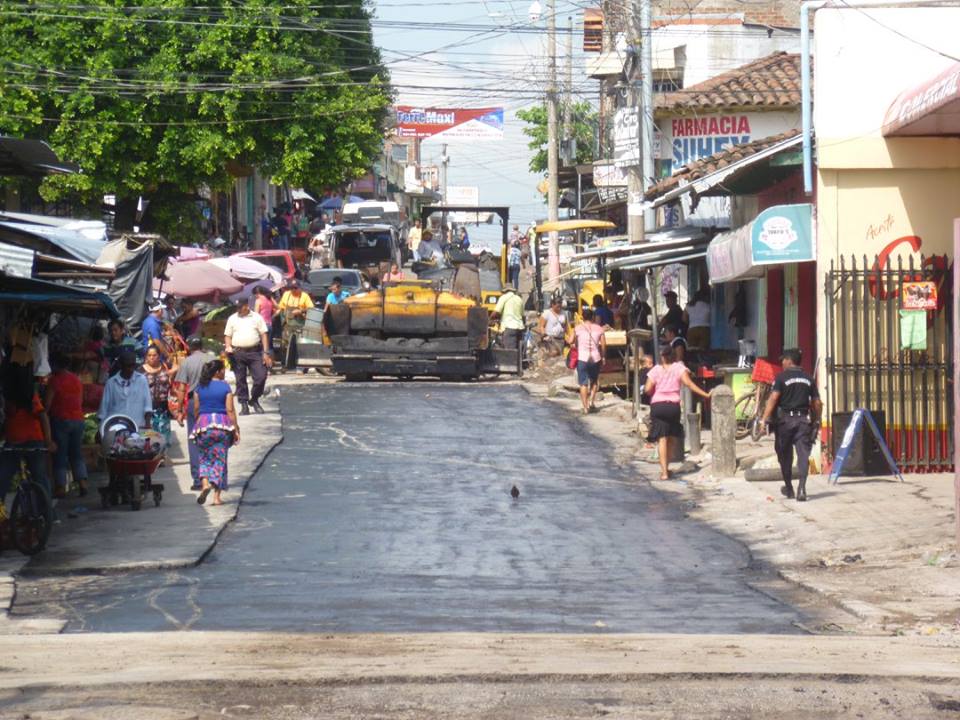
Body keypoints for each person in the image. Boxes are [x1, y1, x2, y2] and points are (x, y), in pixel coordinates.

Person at [760, 349, 822, 502]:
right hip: (803, 421)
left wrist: (764, 419)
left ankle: (789, 488)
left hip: (785, 422)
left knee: (784, 455)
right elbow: (817, 403)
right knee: (803, 455)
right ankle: (802, 488)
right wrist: (817, 420)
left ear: (789, 361)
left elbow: (774, 399)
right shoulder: (809, 378)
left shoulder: (781, 377)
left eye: (783, 360)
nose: (782, 363)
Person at [644, 346, 711, 480]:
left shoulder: (656, 370)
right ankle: (667, 468)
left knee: (662, 439)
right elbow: (689, 384)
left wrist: (654, 393)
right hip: (672, 407)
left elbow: (647, 389)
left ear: (662, 357)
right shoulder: (679, 368)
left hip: (658, 406)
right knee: (671, 438)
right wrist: (706, 395)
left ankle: (664, 472)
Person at [0, 361, 54, 501]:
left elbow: (43, 417)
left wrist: (48, 441)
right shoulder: (11, 399)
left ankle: (48, 512)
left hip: (29, 443)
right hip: (17, 442)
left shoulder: (29, 398)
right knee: (5, 478)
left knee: (39, 477)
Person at [191, 359, 239, 506]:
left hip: (203, 426)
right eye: (223, 369)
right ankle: (216, 497)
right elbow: (230, 410)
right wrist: (236, 428)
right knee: (220, 460)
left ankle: (205, 483)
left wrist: (199, 423)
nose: (224, 372)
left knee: (204, 458)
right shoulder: (225, 387)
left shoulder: (199, 388)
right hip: (221, 426)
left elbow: (197, 409)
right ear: (217, 372)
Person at [174, 336, 215, 490]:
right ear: (202, 346)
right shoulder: (212, 359)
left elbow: (182, 388)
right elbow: (221, 378)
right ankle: (212, 476)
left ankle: (198, 480)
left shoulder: (186, 362)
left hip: (193, 401)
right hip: (211, 400)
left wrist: (179, 410)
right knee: (211, 436)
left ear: (189, 347)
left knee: (194, 439)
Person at [44, 352, 87, 498]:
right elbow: (80, 402)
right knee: (76, 453)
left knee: (60, 454)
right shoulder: (76, 379)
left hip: (61, 420)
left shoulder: (54, 381)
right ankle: (82, 483)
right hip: (78, 420)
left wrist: (43, 414)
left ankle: (61, 487)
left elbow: (47, 404)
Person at [223, 298, 271, 416]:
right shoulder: (232, 318)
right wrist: (228, 346)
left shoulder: (256, 317)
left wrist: (266, 353)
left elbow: (263, 334)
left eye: (240, 307)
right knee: (240, 380)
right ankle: (244, 404)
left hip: (255, 352)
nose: (238, 309)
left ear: (246, 306)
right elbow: (227, 335)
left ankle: (254, 399)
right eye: (237, 307)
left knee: (261, 376)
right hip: (238, 352)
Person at [98, 350, 152, 428]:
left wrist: (147, 425)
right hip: (116, 427)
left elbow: (148, 405)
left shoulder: (141, 380)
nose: (131, 369)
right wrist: (101, 428)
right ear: (120, 365)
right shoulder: (111, 383)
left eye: (133, 365)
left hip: (138, 426)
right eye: (128, 366)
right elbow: (104, 409)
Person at [142, 344, 177, 447]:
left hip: (163, 409)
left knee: (162, 438)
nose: (152, 357)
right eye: (149, 355)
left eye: (154, 355)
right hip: (146, 411)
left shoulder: (164, 366)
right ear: (146, 356)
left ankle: (162, 458)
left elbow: (178, 366)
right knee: (148, 438)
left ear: (159, 356)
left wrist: (170, 372)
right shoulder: (140, 370)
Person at [574, 307, 606, 414]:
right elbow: (603, 345)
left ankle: (585, 407)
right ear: (593, 317)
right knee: (594, 381)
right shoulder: (599, 328)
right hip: (595, 358)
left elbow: (571, 341)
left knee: (583, 383)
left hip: (582, 358)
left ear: (582, 317)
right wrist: (604, 356)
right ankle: (592, 402)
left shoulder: (578, 328)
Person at [278, 279, 315, 361]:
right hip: (287, 325)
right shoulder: (286, 294)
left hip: (300, 325)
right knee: (285, 344)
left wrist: (301, 311)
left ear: (299, 288)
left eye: (295, 288)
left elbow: (311, 308)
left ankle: (300, 363)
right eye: (291, 288)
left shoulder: (304, 296)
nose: (293, 290)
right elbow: (281, 307)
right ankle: (286, 363)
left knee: (300, 344)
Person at [493, 284, 525, 350]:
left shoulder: (504, 297)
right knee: (518, 351)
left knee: (510, 352)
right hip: (519, 328)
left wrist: (489, 319)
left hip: (509, 327)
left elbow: (496, 312)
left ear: (505, 291)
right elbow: (522, 315)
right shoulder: (519, 299)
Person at [253, 286, 276, 350]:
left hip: (261, 325)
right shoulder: (269, 299)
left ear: (257, 293)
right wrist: (272, 316)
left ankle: (263, 359)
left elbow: (256, 315)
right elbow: (279, 308)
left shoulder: (258, 301)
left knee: (262, 347)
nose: (255, 296)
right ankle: (271, 359)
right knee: (269, 346)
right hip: (269, 325)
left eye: (254, 294)